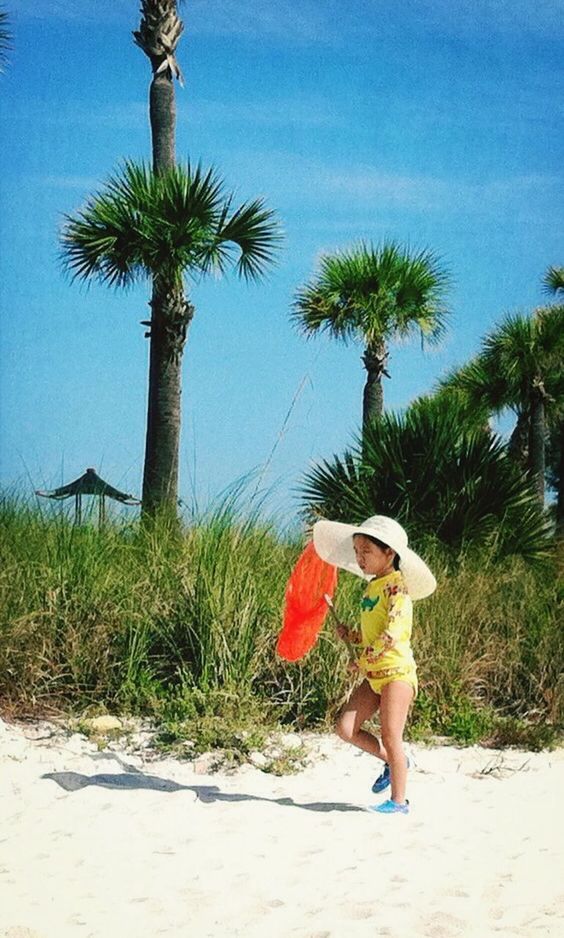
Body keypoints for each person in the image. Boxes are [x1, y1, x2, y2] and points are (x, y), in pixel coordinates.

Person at [313, 515, 436, 815]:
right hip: (375, 673)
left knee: (391, 735)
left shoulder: (398, 589)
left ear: (389, 553)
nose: (359, 557)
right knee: (345, 728)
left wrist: (363, 660)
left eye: (366, 551)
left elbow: (392, 635)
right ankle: (394, 763)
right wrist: (351, 635)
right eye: (356, 551)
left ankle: (398, 802)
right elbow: (371, 632)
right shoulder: (372, 587)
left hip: (396, 674)